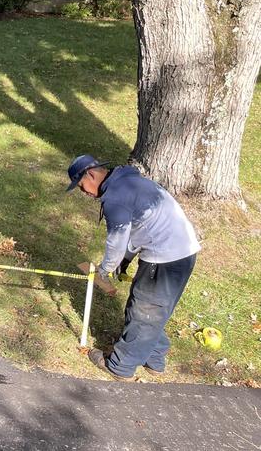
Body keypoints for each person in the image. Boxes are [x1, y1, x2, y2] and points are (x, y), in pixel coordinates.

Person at [67, 154, 201, 380]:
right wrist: (127, 259)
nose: (85, 193)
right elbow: (140, 227)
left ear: (91, 174)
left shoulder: (116, 197)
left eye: (82, 186)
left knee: (144, 310)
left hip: (165, 258)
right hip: (183, 253)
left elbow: (116, 242)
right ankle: (154, 359)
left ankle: (121, 365)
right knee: (154, 308)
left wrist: (105, 269)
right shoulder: (131, 183)